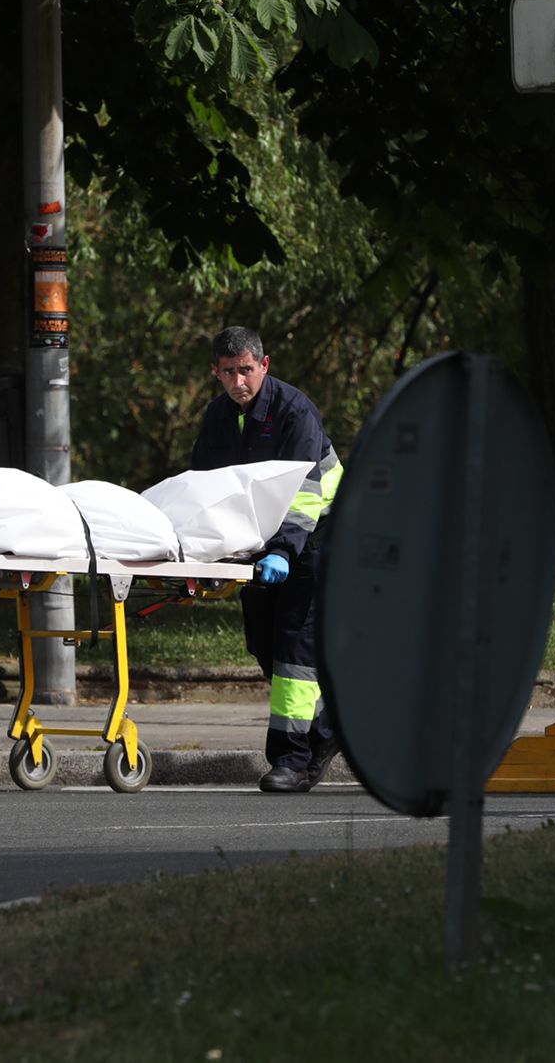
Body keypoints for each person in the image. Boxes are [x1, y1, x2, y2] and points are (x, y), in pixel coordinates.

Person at [190, 326, 345, 794]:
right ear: (215, 373)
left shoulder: (295, 411)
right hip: (264, 543)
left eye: (247, 371)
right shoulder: (218, 418)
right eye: (228, 372)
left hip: (319, 534)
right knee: (262, 641)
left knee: (293, 649)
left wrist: (282, 549)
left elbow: (306, 493)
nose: (239, 381)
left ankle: (292, 761)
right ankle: (328, 727)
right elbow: (204, 488)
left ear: (265, 366)